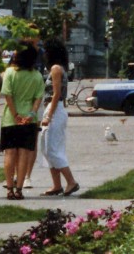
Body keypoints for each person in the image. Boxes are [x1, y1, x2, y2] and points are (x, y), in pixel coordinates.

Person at [1, 45, 43, 200]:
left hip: (10, 120)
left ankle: (9, 188)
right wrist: (31, 114)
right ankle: (19, 188)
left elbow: (7, 95)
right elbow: (38, 98)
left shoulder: (10, 73)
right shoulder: (37, 76)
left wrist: (15, 114)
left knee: (10, 153)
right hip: (29, 120)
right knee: (24, 153)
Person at [39, 40, 79, 196]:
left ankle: (71, 181)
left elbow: (56, 94)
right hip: (54, 109)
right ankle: (57, 185)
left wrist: (48, 116)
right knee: (47, 148)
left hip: (54, 109)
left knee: (52, 149)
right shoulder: (59, 68)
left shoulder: (56, 69)